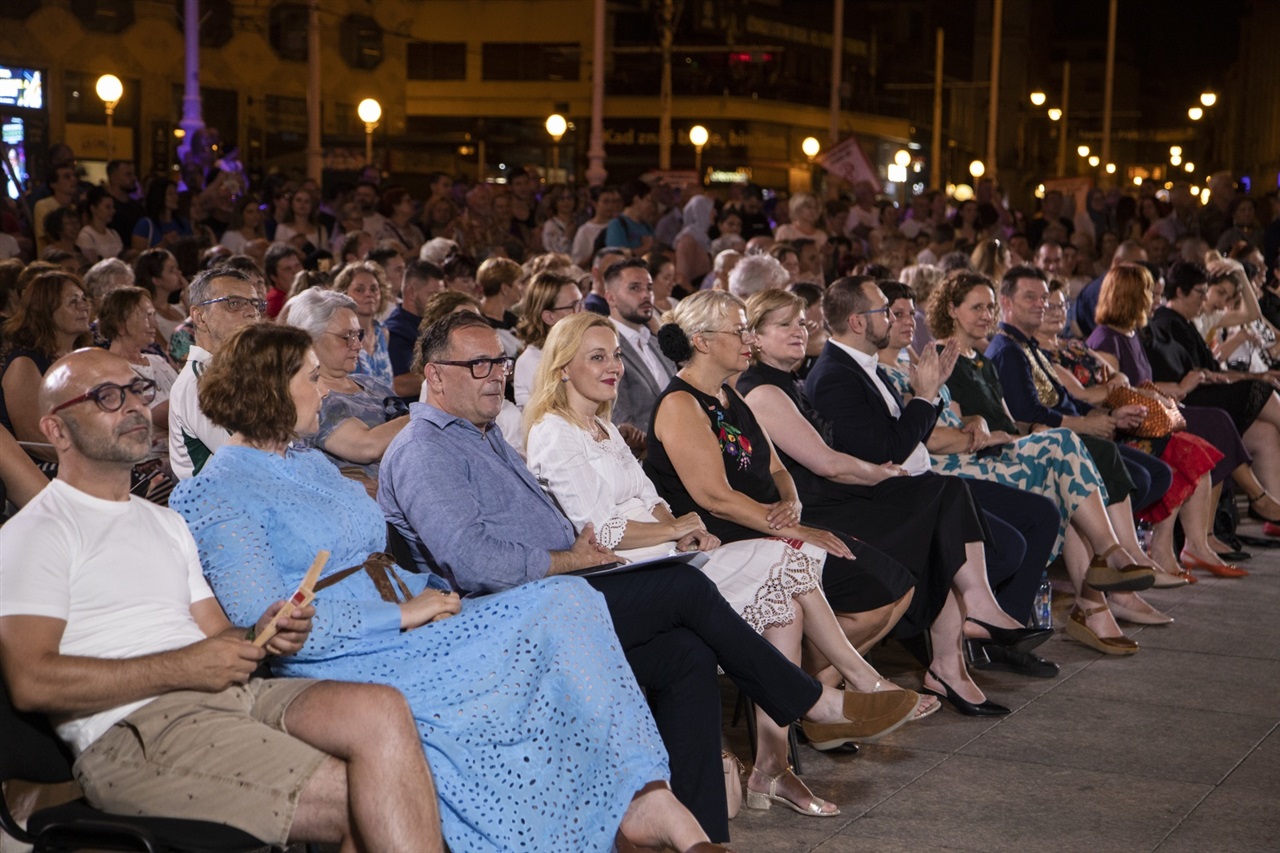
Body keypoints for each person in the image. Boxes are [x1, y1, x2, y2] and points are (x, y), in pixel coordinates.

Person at [170, 324, 722, 853]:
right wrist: (403, 617)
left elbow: (373, 562)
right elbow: (265, 624)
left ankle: (645, 797)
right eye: (312, 378)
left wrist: (426, 595)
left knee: (577, 602)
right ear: (269, 390)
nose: (326, 391)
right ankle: (631, 810)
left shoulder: (311, 463)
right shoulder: (216, 491)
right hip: (347, 656)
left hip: (414, 619)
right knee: (564, 602)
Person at [378, 310, 913, 843]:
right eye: (477, 364)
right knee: (685, 588)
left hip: (558, 594)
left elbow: (576, 520)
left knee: (688, 652)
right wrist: (576, 555)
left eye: (499, 360)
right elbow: (473, 561)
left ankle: (703, 836)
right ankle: (812, 703)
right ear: (435, 375)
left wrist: (602, 544)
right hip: (512, 619)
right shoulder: (426, 448)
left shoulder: (484, 435)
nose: (495, 373)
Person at [0, 347, 443, 852]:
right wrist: (184, 667)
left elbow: (219, 636)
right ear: (56, 431)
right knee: (367, 799)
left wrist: (269, 629)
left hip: (228, 698)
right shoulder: (35, 532)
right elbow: (30, 682)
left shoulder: (165, 523)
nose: (133, 407)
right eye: (106, 396)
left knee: (383, 710)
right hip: (136, 729)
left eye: (138, 390)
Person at [526, 312, 926, 818]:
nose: (615, 368)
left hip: (669, 556)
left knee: (787, 587)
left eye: (618, 355)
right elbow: (598, 535)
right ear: (562, 368)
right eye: (598, 357)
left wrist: (681, 526)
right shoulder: (554, 433)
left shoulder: (602, 427)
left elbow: (652, 500)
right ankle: (842, 691)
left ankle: (774, 764)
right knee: (788, 558)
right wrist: (675, 529)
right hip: (621, 576)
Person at [740, 288, 1060, 675]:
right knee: (941, 507)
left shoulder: (790, 382)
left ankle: (952, 660)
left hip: (839, 496)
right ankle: (826, 683)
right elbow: (828, 463)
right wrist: (883, 470)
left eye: (800, 322)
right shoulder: (764, 389)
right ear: (754, 337)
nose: (800, 331)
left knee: (948, 499)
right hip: (822, 508)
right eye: (784, 324)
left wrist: (926, 400)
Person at [1087, 263, 1277, 558]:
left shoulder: (1130, 334)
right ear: (1130, 296)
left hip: (1154, 415)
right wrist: (1177, 389)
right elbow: (1110, 395)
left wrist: (1172, 391)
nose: (1155, 301)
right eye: (1151, 293)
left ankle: (1205, 537)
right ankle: (1223, 524)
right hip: (1130, 425)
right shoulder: (1104, 339)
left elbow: (1143, 384)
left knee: (1218, 425)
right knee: (1217, 421)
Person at [283, 289, 408, 487]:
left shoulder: (370, 383)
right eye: (347, 336)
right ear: (309, 338)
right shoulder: (313, 399)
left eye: (359, 334)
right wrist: (429, 411)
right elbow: (367, 446)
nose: (358, 345)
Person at [169, 268, 264, 478]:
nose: (251, 312)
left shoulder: (245, 370)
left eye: (255, 304)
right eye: (234, 303)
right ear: (200, 317)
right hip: (222, 505)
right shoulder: (197, 382)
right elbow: (249, 462)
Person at [99, 286, 178, 449]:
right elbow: (168, 416)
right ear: (120, 324)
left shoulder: (157, 361)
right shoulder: (108, 368)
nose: (154, 324)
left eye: (154, 315)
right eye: (146, 316)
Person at [607, 258, 677, 432]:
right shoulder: (605, 349)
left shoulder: (656, 341)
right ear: (611, 298)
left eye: (649, 288)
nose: (646, 295)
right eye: (635, 288)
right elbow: (623, 423)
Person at [513, 270, 582, 407]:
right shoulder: (531, 362)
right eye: (573, 306)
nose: (582, 312)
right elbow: (562, 413)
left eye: (581, 303)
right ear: (549, 317)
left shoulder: (577, 349)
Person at [386, 259, 444, 403]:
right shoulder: (395, 332)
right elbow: (401, 385)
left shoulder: (437, 323)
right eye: (433, 295)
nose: (439, 303)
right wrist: (451, 374)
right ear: (410, 292)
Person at [333, 260, 393, 386]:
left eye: (374, 289)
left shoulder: (383, 332)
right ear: (344, 294)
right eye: (359, 290)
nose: (369, 294)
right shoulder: (340, 336)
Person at [133, 248, 188, 349]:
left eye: (177, 268)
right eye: (171, 270)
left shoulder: (181, 308)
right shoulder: (147, 316)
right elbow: (168, 352)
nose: (179, 273)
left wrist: (189, 304)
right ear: (157, 280)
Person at [674, 195, 714, 294]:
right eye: (710, 210)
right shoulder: (688, 240)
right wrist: (696, 294)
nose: (715, 213)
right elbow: (682, 278)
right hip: (693, 296)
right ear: (702, 212)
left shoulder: (702, 237)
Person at [274, 186, 329, 253]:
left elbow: (325, 258)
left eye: (307, 201)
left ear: (312, 206)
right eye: (298, 200)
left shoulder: (321, 230)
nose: (302, 204)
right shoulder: (282, 228)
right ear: (292, 204)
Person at [75, 186, 122, 264]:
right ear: (93, 209)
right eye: (107, 207)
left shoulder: (113, 233)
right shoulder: (86, 236)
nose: (113, 211)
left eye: (113, 207)